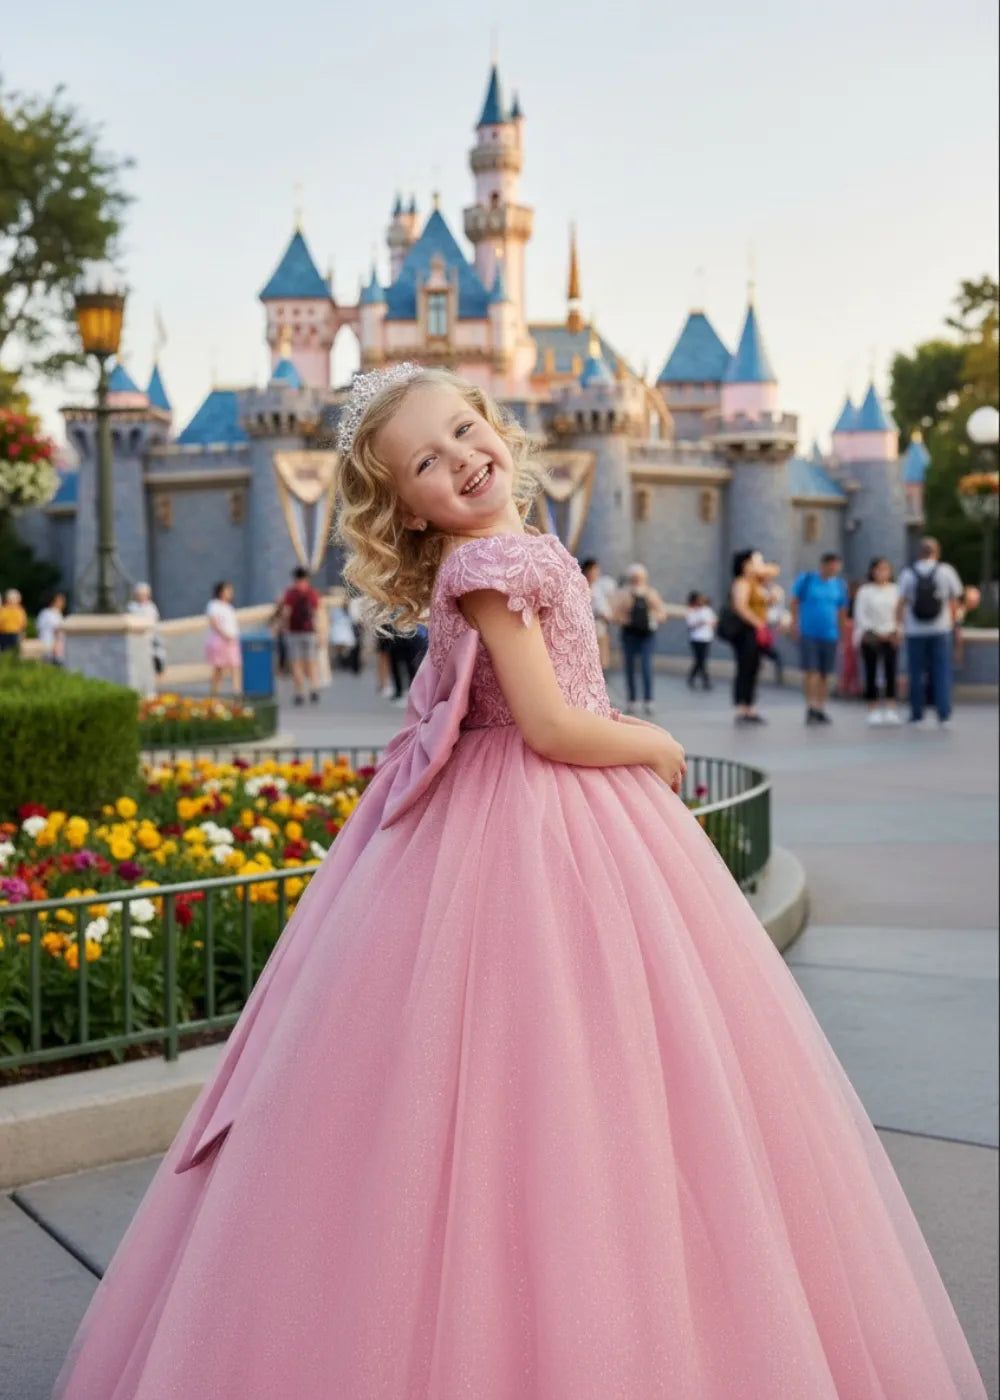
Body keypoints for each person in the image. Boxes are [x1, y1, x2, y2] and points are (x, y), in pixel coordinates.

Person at [55, 364, 986, 1400]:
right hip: (546, 811)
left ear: (495, 423)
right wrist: (651, 743)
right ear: (404, 510)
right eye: (427, 461)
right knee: (585, 1063)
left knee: (538, 1066)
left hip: (531, 816)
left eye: (463, 431)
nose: (460, 459)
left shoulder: (511, 548)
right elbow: (546, 721)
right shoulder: (493, 563)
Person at [897, 536, 964, 727]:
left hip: (915, 630)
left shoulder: (908, 573)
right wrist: (954, 624)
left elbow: (901, 603)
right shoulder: (946, 571)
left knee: (916, 672)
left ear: (919, 552)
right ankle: (943, 714)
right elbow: (954, 601)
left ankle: (916, 713)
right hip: (940, 629)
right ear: (937, 552)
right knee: (942, 672)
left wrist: (898, 626)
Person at [790, 552, 848, 725]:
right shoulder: (807, 580)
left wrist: (842, 633)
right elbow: (794, 602)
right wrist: (794, 624)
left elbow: (842, 611)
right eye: (832, 565)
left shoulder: (839, 585)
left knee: (825, 673)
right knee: (811, 671)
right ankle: (810, 706)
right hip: (809, 633)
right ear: (825, 564)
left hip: (830, 634)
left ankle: (821, 707)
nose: (835, 569)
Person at [722, 548, 776, 724]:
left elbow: (773, 573)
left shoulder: (757, 584)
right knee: (745, 667)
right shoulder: (741, 583)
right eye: (754, 562)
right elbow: (740, 606)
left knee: (754, 667)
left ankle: (750, 706)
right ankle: (742, 707)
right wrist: (757, 623)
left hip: (756, 629)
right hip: (746, 630)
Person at [612, 562, 668, 715]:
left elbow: (662, 613)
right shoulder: (623, 594)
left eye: (640, 577)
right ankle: (632, 700)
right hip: (629, 634)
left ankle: (648, 699)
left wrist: (652, 616)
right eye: (635, 577)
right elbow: (614, 614)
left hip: (646, 635)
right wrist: (627, 618)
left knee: (646, 666)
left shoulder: (651, 593)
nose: (637, 580)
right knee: (629, 667)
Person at [853, 559, 902, 726]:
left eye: (886, 569)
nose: (882, 573)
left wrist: (895, 630)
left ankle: (890, 707)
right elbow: (860, 614)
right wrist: (873, 631)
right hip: (871, 635)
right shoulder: (865, 591)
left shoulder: (896, 590)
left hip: (891, 634)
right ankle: (873, 708)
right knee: (871, 672)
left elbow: (900, 613)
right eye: (879, 569)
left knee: (890, 672)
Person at [281, 566, 322, 705]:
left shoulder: (290, 593)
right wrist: (320, 632)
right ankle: (313, 689)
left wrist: (283, 628)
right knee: (311, 662)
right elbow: (317, 614)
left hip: (294, 632)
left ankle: (299, 692)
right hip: (310, 632)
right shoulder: (312, 593)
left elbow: (286, 612)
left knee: (296, 663)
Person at [205, 580, 242, 696]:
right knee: (218, 669)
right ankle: (214, 695)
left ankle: (237, 695)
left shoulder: (229, 607)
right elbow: (214, 623)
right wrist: (225, 635)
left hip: (232, 640)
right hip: (219, 641)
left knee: (236, 667)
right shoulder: (214, 605)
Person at [581, 557, 616, 673]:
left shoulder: (600, 588)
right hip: (585, 631)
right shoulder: (580, 587)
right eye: (593, 570)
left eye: (597, 570)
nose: (595, 573)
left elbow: (606, 607)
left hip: (600, 629)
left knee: (601, 662)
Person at [127, 582, 166, 683]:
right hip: (135, 642)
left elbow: (155, 626)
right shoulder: (131, 607)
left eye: (144, 595)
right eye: (139, 595)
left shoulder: (151, 608)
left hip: (150, 642)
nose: (142, 597)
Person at [684, 589, 716, 689]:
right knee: (700, 660)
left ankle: (692, 678)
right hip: (696, 638)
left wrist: (710, 624)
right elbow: (690, 625)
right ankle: (705, 681)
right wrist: (700, 623)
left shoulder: (707, 610)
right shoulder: (691, 611)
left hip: (706, 638)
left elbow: (713, 622)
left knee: (701, 660)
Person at [35, 591, 66, 665]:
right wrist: (57, 645)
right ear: (53, 601)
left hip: (46, 645)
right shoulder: (51, 613)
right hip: (51, 646)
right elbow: (57, 630)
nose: (62, 603)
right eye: (60, 601)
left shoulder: (44, 613)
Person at [0, 587, 27, 655]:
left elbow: (23, 623)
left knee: (15, 653)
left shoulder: (20, 610)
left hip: (16, 634)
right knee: (5, 652)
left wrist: (22, 632)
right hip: (4, 634)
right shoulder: (3, 609)